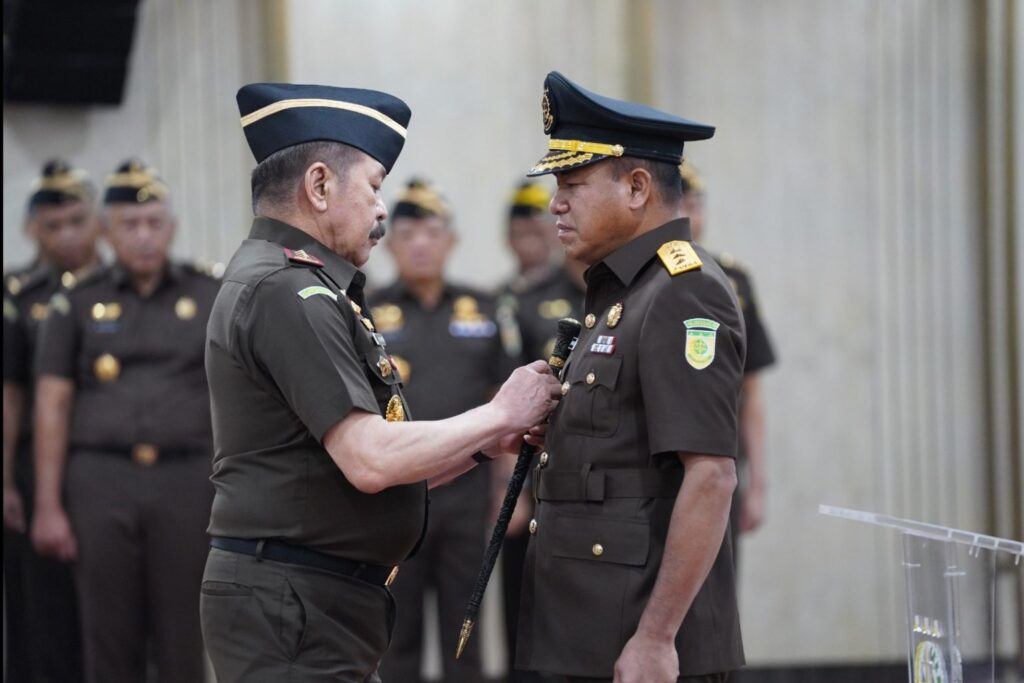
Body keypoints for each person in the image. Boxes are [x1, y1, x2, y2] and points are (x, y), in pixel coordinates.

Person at [201, 82, 562, 683]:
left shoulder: (297, 283)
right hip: (295, 603)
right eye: (372, 187)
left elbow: (354, 468)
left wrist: (480, 446)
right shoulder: (287, 291)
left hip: (311, 598)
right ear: (319, 187)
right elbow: (369, 459)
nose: (380, 211)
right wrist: (500, 414)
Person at [515, 71, 746, 683]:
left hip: (639, 640)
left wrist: (656, 637)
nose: (556, 204)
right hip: (592, 626)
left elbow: (711, 475)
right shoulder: (624, 292)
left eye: (573, 185)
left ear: (638, 187)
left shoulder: (683, 291)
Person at [30, 159, 219, 683]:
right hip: (101, 481)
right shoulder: (77, 300)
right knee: (108, 639)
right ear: (106, 231)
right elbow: (51, 403)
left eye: (154, 223)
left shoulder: (208, 295)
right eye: (130, 225)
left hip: (187, 482)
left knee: (185, 638)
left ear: (171, 228)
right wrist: (48, 505)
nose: (143, 236)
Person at [371, 178, 518, 682]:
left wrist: (510, 490)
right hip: (396, 497)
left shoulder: (486, 309)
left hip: (467, 497)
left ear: (451, 241)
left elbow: (508, 405)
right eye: (407, 234)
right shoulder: (366, 312)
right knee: (396, 636)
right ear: (389, 244)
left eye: (431, 233)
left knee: (464, 633)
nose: (420, 244)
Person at [3, 159, 98, 682]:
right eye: (52, 225)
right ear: (31, 230)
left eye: (76, 221)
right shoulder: (19, 295)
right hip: (32, 466)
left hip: (103, 462)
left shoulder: (121, 286)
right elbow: (10, 395)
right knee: (39, 610)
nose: (66, 235)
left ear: (97, 220)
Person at [496, 181, 587, 683]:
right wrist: (514, 492)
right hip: (535, 477)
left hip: (596, 482)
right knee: (527, 614)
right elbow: (505, 403)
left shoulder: (623, 297)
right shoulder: (524, 299)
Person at [679, 161, 776, 567]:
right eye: (681, 205)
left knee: (717, 583)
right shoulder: (635, 279)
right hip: (658, 468)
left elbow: (750, 392)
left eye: (695, 205)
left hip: (720, 463)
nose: (690, 217)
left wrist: (758, 486)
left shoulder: (731, 281)